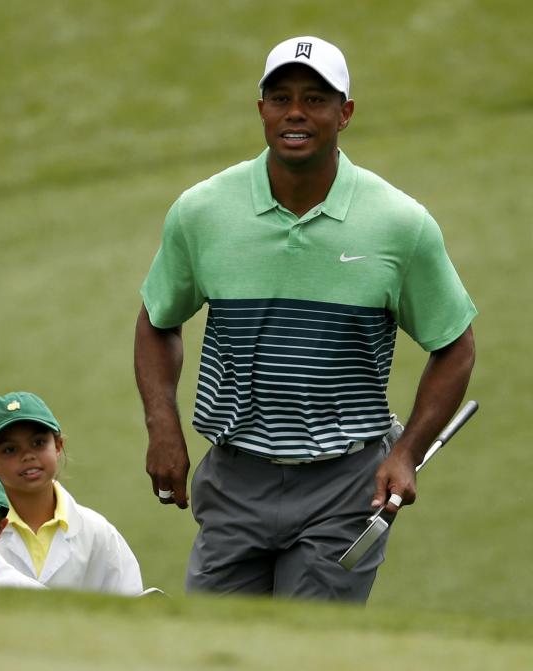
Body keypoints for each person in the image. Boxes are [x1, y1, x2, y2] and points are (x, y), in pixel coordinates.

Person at [134, 36, 476, 601]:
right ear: (261, 108)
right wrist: (162, 425)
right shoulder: (202, 212)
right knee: (214, 648)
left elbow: (454, 344)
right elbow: (157, 320)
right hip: (235, 477)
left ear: (345, 114)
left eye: (316, 99)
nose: (296, 112)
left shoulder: (398, 223)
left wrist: (406, 451)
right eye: (281, 97)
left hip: (344, 485)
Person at [0, 391, 143, 595]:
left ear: (58, 446)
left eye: (38, 443)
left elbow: (130, 607)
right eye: (10, 449)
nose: (27, 456)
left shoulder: (98, 533)